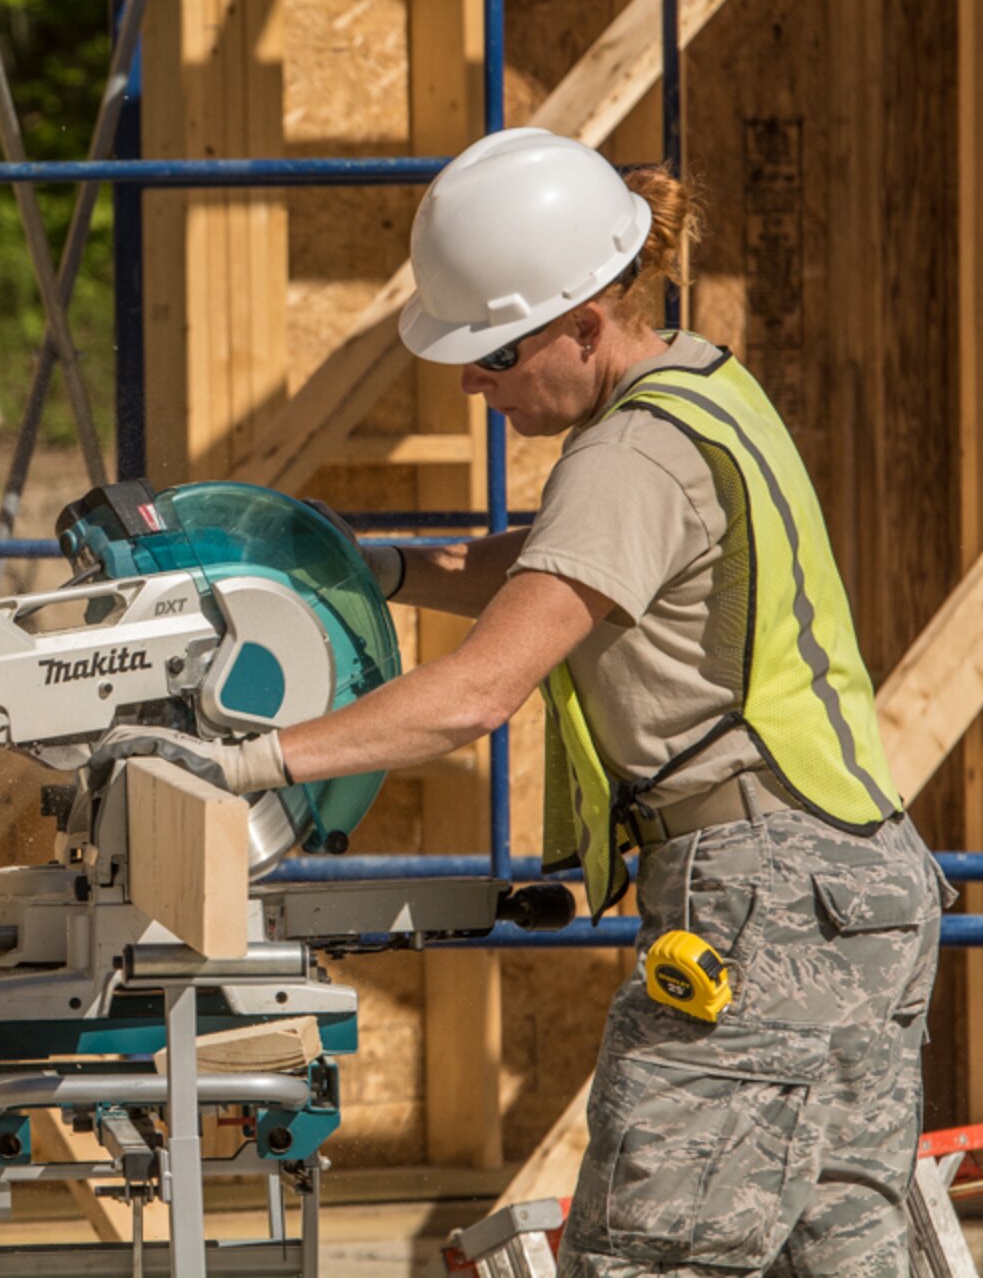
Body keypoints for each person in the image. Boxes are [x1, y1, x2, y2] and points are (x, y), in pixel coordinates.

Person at [96, 127, 953, 1274]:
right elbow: (562, 557)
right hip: (854, 889)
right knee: (838, 1254)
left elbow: (474, 695)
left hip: (760, 905)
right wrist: (382, 569)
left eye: (492, 356)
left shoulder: (628, 455)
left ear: (582, 323)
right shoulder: (696, 384)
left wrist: (243, 762)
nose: (469, 382)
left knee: (649, 1252)